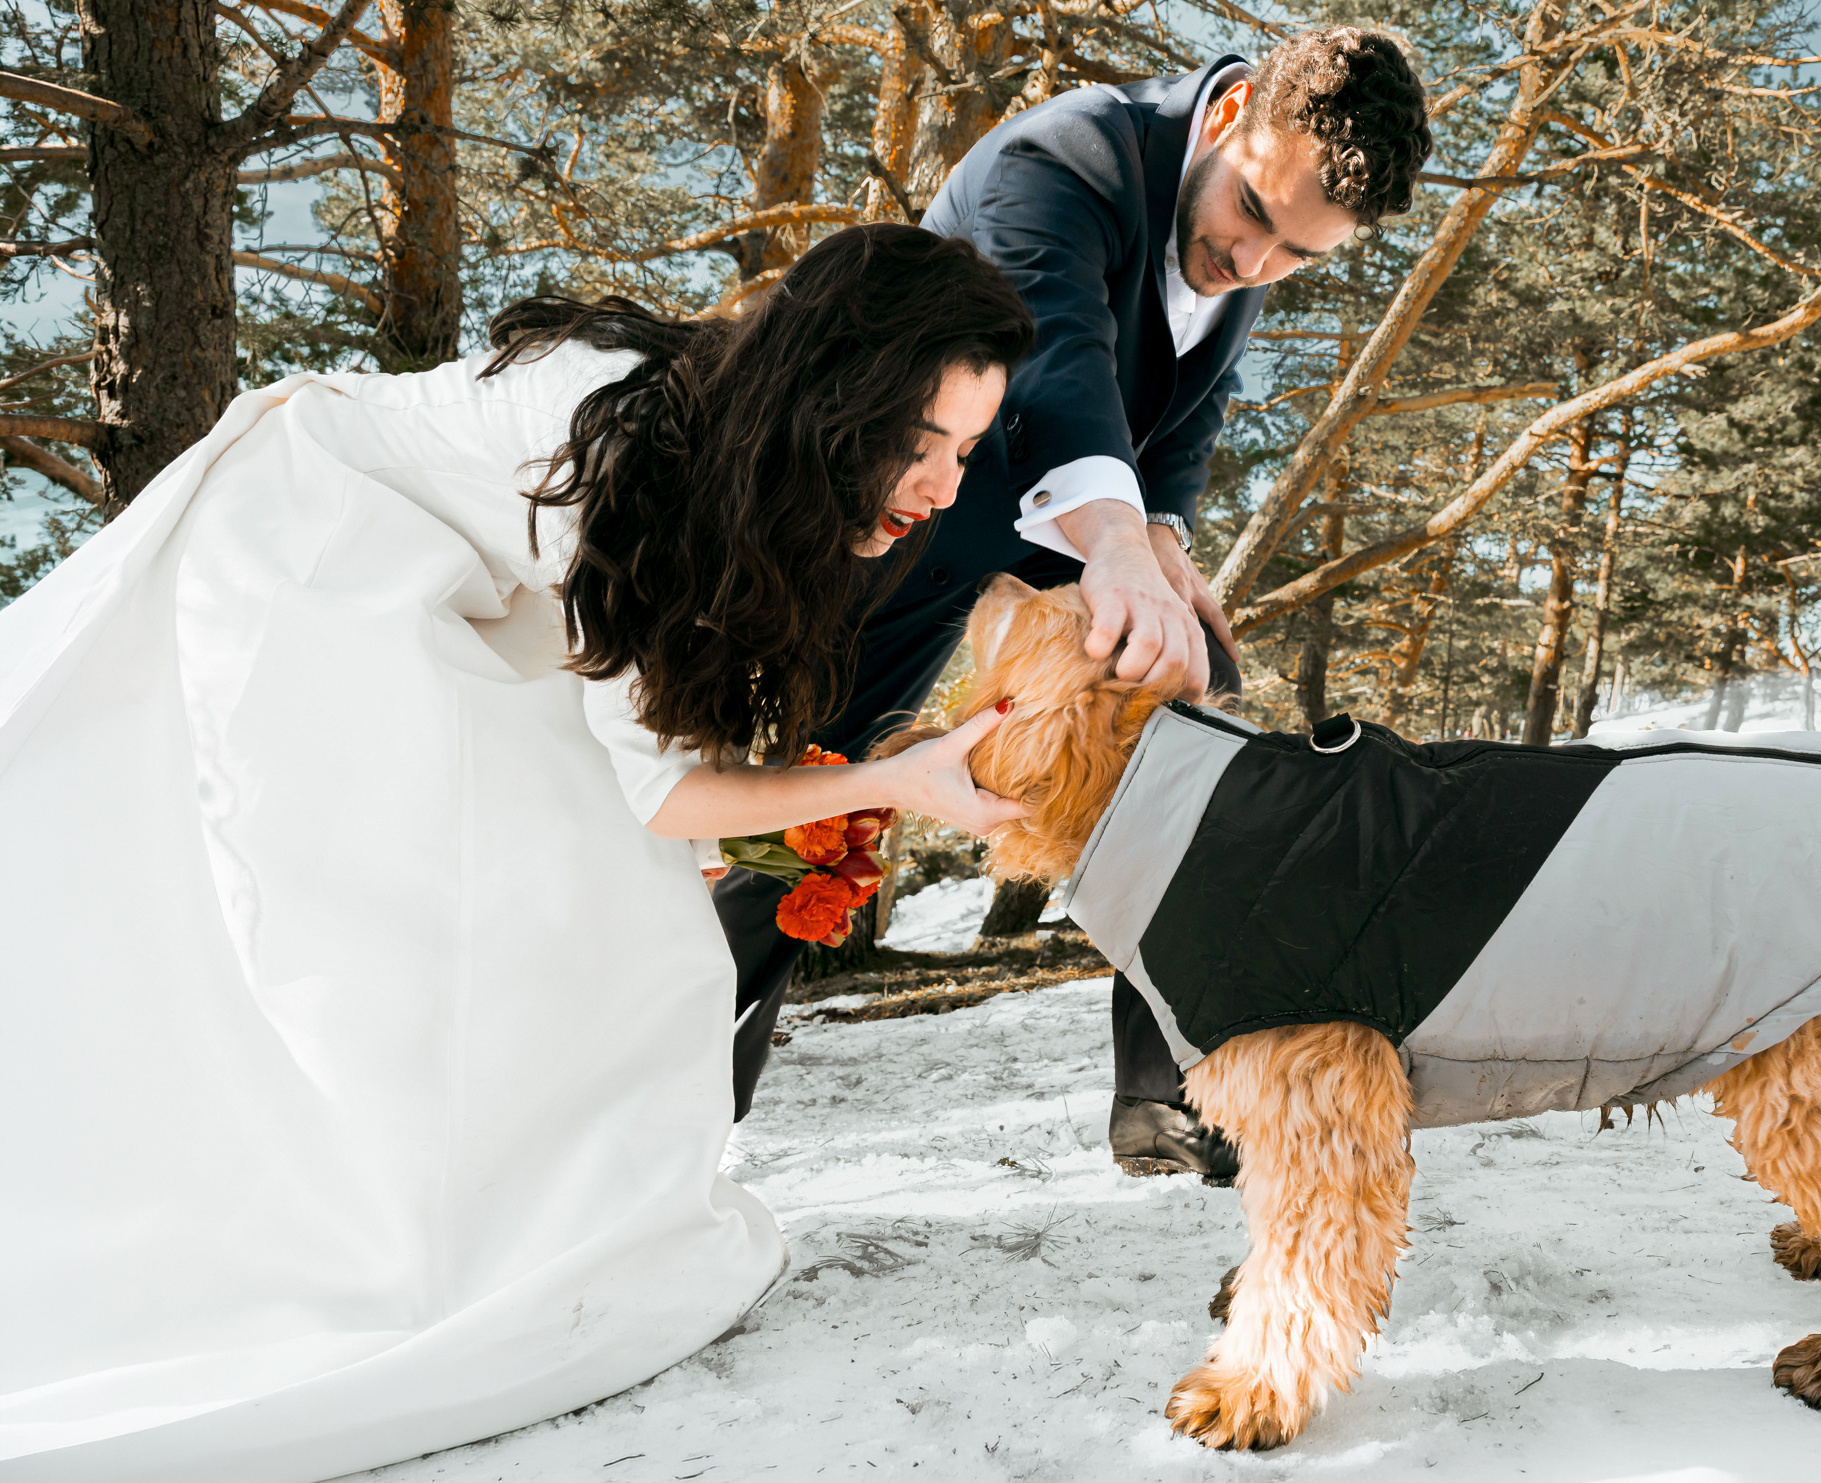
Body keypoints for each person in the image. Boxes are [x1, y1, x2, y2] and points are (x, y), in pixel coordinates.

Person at [0, 225, 1033, 1480]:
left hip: (474, 599)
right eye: (917, 443)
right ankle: (393, 1264)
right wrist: (889, 779)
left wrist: (857, 781)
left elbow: (647, 750)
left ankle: (556, 1225)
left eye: (965, 451)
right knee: (415, 918)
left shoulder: (722, 460)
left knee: (619, 913)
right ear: (830, 400)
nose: (938, 487)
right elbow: (660, 796)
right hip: (309, 567)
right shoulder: (616, 449)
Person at [712, 28, 1434, 1178]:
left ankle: (1174, 1092)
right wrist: (1114, 546)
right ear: (1232, 109)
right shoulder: (1059, 162)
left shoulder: (1238, 240)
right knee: (815, 789)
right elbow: (1055, 362)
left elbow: (1182, 413)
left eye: (1297, 255)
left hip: (1064, 519)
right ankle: (685, 1083)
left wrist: (1160, 544)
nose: (1251, 263)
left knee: (1190, 710)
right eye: (1251, 215)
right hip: (904, 518)